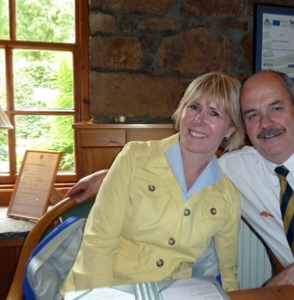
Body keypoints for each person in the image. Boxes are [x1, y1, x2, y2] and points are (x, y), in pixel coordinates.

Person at [66, 70, 294, 288]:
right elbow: (174, 162)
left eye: (275, 108)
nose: (265, 123)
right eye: (253, 114)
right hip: (116, 289)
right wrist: (112, 173)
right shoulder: (235, 168)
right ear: (244, 126)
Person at [59, 72, 246, 294]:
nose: (199, 120)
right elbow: (98, 240)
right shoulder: (134, 158)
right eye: (194, 107)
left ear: (230, 129)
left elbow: (227, 272)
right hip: (108, 287)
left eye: (214, 113)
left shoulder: (227, 196)